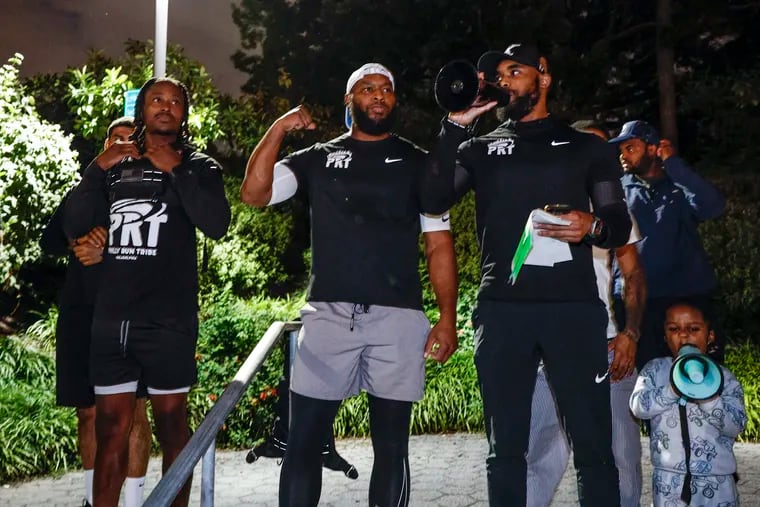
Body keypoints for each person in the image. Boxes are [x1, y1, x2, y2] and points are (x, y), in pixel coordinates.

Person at [240, 62, 458, 507]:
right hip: (329, 316)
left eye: (386, 90)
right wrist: (280, 127)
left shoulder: (419, 164)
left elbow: (438, 245)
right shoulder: (318, 157)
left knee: (392, 447)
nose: (378, 95)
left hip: (398, 317)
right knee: (302, 443)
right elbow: (254, 193)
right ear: (350, 99)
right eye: (366, 88)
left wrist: (447, 319)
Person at [435, 43, 632, 506]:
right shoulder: (480, 148)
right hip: (503, 312)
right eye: (499, 75)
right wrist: (453, 128)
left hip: (573, 311)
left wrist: (593, 227)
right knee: (505, 451)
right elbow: (433, 198)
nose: (505, 81)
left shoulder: (587, 148)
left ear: (543, 77)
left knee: (594, 449)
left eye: (515, 71)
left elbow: (617, 224)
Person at [63, 77, 231, 507]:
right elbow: (74, 222)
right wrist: (97, 167)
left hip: (169, 320)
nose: (166, 106)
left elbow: (216, 224)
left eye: (176, 101)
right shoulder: (115, 164)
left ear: (184, 113)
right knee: (110, 429)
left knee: (174, 426)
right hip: (113, 318)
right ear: (142, 110)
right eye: (157, 99)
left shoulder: (199, 165)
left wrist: (174, 167)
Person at [40, 116, 152, 507]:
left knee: (134, 413)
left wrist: (113, 244)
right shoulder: (83, 191)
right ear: (104, 148)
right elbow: (50, 241)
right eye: (114, 140)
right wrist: (80, 238)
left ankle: (135, 501)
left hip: (130, 317)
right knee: (87, 414)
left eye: (129, 141)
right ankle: (93, 500)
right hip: (81, 316)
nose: (122, 147)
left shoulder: (152, 194)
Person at [608, 120, 725, 369]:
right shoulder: (619, 190)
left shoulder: (680, 185)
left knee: (699, 374)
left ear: (652, 149)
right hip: (638, 304)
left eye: (630, 148)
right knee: (647, 378)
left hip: (686, 297)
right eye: (621, 150)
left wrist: (673, 165)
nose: (623, 155)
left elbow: (713, 207)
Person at [630, 302, 746, 506]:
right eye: (674, 329)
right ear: (665, 336)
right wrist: (670, 390)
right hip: (669, 482)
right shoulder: (655, 370)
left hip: (717, 481)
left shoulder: (725, 378)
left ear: (710, 335)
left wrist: (710, 399)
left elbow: (736, 424)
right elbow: (638, 407)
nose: (683, 335)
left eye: (693, 329)